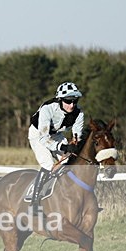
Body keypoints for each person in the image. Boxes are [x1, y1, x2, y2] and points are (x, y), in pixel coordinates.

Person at [27, 82, 85, 211]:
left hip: (56, 134)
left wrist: (72, 147)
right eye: (68, 101)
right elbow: (44, 138)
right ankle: (34, 199)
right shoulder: (47, 108)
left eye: (75, 101)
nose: (72, 105)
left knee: (70, 162)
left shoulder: (79, 113)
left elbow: (76, 137)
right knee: (48, 165)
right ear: (60, 99)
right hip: (38, 135)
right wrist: (63, 147)